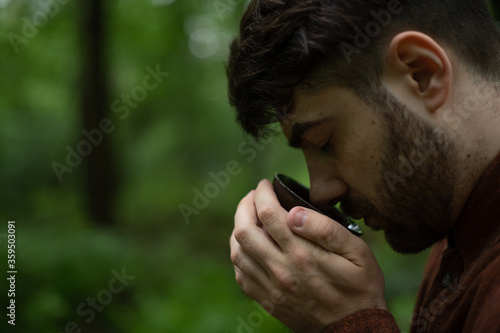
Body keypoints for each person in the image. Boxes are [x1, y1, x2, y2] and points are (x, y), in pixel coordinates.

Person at [226, 0, 500, 332]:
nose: (322, 192)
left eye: (326, 142)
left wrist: (350, 322)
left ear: (421, 73)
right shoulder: (455, 233)